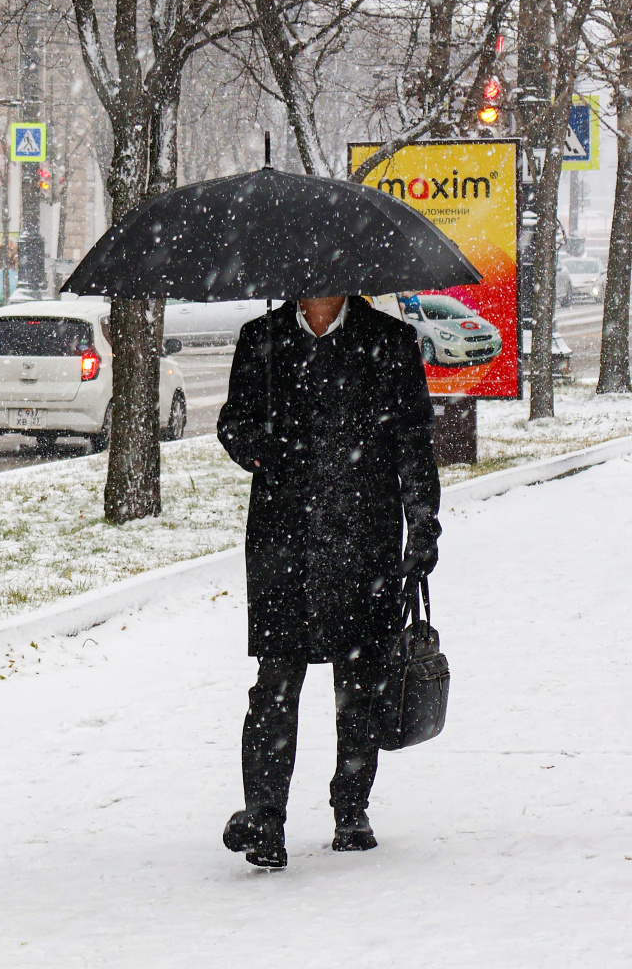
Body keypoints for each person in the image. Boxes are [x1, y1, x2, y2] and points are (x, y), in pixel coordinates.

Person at [216, 295, 441, 869]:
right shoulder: (260, 339)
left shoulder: (389, 341)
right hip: (282, 535)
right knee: (275, 682)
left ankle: (351, 809)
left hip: (362, 532)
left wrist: (422, 527)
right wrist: (269, 449)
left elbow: (414, 443)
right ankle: (265, 819)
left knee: (360, 681)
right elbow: (232, 425)